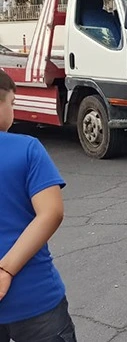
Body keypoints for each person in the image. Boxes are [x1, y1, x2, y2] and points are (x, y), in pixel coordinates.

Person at [0, 70, 76, 341]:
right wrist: (6, 269)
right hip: (34, 297)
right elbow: (51, 213)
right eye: (12, 103)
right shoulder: (27, 149)